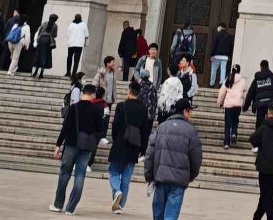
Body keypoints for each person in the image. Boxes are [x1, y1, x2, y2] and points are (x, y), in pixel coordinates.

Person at [143, 94, 201, 220]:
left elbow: (149, 153)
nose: (191, 114)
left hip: (160, 177)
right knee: (171, 215)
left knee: (158, 214)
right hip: (179, 180)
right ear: (185, 111)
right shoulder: (190, 131)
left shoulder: (161, 127)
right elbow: (196, 157)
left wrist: (149, 175)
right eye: (190, 111)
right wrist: (191, 176)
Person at [54, 78, 108, 212]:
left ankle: (58, 204)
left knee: (64, 173)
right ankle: (70, 208)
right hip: (87, 146)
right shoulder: (97, 110)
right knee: (80, 174)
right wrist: (93, 139)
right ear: (93, 95)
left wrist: (58, 144)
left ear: (83, 93)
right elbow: (100, 130)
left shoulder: (74, 107)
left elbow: (66, 127)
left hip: (71, 143)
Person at [108, 78, 151, 212]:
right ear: (139, 93)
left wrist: (115, 139)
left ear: (129, 91)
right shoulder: (143, 109)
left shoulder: (121, 106)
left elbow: (115, 125)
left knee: (113, 171)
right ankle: (120, 206)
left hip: (120, 142)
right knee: (126, 176)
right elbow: (145, 131)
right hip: (134, 145)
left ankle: (117, 191)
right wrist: (143, 149)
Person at [246, 58, 273, 135]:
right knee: (271, 121)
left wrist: (246, 106)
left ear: (261, 67)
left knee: (259, 122)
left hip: (260, 104)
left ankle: (258, 137)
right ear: (268, 67)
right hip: (271, 103)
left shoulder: (257, 79)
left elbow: (250, 93)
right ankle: (269, 136)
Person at [218, 64, 246, 148]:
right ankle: (234, 133)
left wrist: (220, 102)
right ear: (239, 71)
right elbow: (245, 94)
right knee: (235, 120)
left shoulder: (228, 79)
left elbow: (222, 92)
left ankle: (226, 143)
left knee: (227, 124)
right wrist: (244, 104)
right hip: (237, 105)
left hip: (228, 105)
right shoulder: (243, 81)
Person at [208, 26, 233, 90]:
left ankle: (212, 83)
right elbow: (231, 47)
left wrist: (211, 55)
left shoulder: (217, 35)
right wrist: (229, 56)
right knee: (223, 69)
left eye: (218, 27)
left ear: (220, 27)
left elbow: (214, 45)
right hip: (225, 56)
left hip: (216, 55)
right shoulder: (229, 36)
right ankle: (221, 83)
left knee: (214, 69)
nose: (217, 29)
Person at [64, 13, 88, 78]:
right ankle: (73, 74)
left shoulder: (71, 24)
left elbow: (67, 35)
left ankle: (68, 72)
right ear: (81, 18)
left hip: (71, 44)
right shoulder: (84, 25)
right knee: (76, 60)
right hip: (79, 45)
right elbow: (86, 35)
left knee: (69, 58)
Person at [35, 15, 58, 79]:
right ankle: (41, 73)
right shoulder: (55, 25)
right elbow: (55, 35)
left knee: (39, 55)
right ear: (56, 20)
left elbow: (39, 31)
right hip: (48, 41)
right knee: (45, 56)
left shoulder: (44, 23)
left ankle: (36, 71)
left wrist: (38, 39)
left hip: (41, 39)